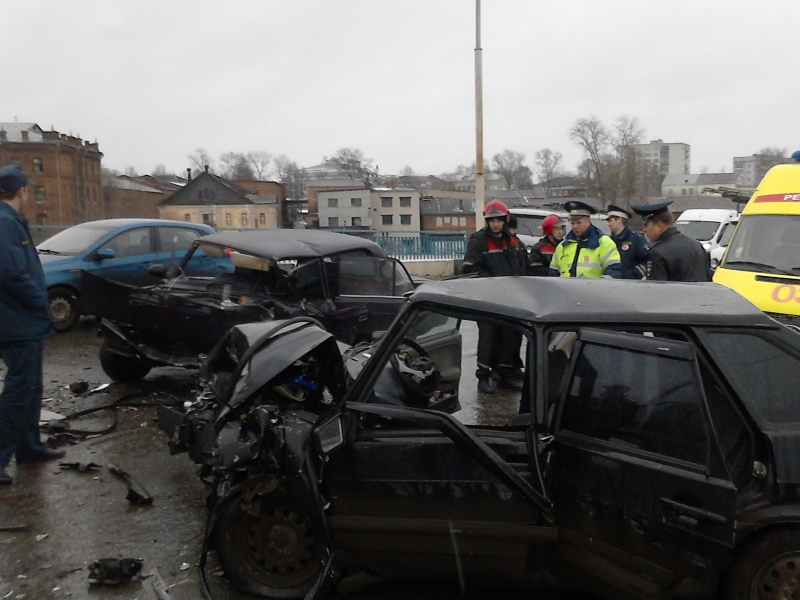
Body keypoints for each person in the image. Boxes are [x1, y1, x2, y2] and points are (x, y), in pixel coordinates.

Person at [0, 165, 63, 486]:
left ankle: (28, 448)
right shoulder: (5, 223)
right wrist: (39, 302)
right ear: (21, 191)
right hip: (17, 321)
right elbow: (10, 274)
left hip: (22, 320)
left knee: (31, 386)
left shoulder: (11, 221)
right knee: (19, 390)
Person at [463, 199, 527, 394]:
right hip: (487, 300)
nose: (495, 224)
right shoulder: (479, 241)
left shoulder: (513, 241)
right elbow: (469, 269)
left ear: (504, 220)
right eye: (492, 220)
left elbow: (524, 267)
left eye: (498, 220)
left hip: (511, 300)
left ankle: (506, 375)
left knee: (510, 338)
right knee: (488, 339)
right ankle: (484, 377)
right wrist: (492, 281)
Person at [630, 201, 712, 282]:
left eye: (646, 225)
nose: (644, 230)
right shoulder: (696, 245)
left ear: (658, 225)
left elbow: (656, 289)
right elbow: (708, 279)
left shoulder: (658, 253)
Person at [549, 201, 622, 278]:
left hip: (592, 289)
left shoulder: (604, 243)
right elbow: (553, 274)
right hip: (566, 290)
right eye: (572, 223)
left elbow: (614, 271)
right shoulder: (563, 246)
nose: (575, 227)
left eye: (579, 223)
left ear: (588, 222)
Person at [606, 204, 649, 279]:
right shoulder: (609, 240)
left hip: (630, 284)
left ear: (619, 220)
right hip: (612, 283)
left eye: (610, 221)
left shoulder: (635, 239)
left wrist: (635, 273)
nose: (608, 225)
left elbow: (648, 259)